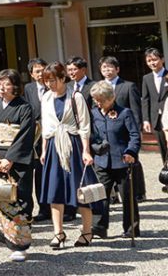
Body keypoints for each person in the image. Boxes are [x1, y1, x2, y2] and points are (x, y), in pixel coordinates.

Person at [39, 61, 103, 248]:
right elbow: (46, 126)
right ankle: (58, 233)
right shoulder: (46, 98)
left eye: (52, 80)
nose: (49, 84)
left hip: (73, 144)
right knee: (55, 190)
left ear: (62, 78)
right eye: (46, 81)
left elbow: (84, 125)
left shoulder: (75, 97)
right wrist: (43, 150)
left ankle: (87, 231)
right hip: (53, 145)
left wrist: (86, 150)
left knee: (80, 190)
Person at [0, 69, 35, 262]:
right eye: (0, 83)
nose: (1, 87)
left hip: (17, 161)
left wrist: (10, 159)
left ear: (15, 85)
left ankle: (20, 243)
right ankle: (6, 237)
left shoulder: (24, 108)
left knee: (19, 199)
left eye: (6, 84)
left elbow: (25, 135)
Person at [90, 80, 140, 240]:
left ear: (112, 98)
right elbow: (90, 134)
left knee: (127, 196)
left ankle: (131, 227)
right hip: (101, 161)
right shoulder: (94, 113)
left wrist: (131, 151)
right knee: (99, 195)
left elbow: (134, 135)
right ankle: (99, 227)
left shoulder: (125, 113)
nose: (98, 103)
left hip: (122, 160)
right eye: (96, 100)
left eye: (101, 100)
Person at [99, 56, 146, 200]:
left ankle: (138, 192)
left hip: (126, 129)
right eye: (104, 68)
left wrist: (138, 129)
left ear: (117, 69)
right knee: (108, 162)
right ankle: (113, 195)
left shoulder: (128, 86)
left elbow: (135, 109)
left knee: (132, 160)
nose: (107, 70)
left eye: (110, 67)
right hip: (107, 130)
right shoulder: (99, 87)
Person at [24, 58, 50, 219]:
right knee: (39, 173)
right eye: (37, 71)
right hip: (36, 136)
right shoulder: (29, 88)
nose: (41, 74)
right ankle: (43, 209)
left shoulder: (54, 85)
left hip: (53, 133)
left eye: (43, 69)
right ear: (32, 74)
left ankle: (66, 207)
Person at [140, 47, 168, 179]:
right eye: (149, 60)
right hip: (156, 119)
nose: (152, 63)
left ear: (162, 59)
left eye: (155, 59)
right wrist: (146, 119)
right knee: (163, 148)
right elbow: (145, 100)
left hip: (167, 117)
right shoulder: (146, 78)